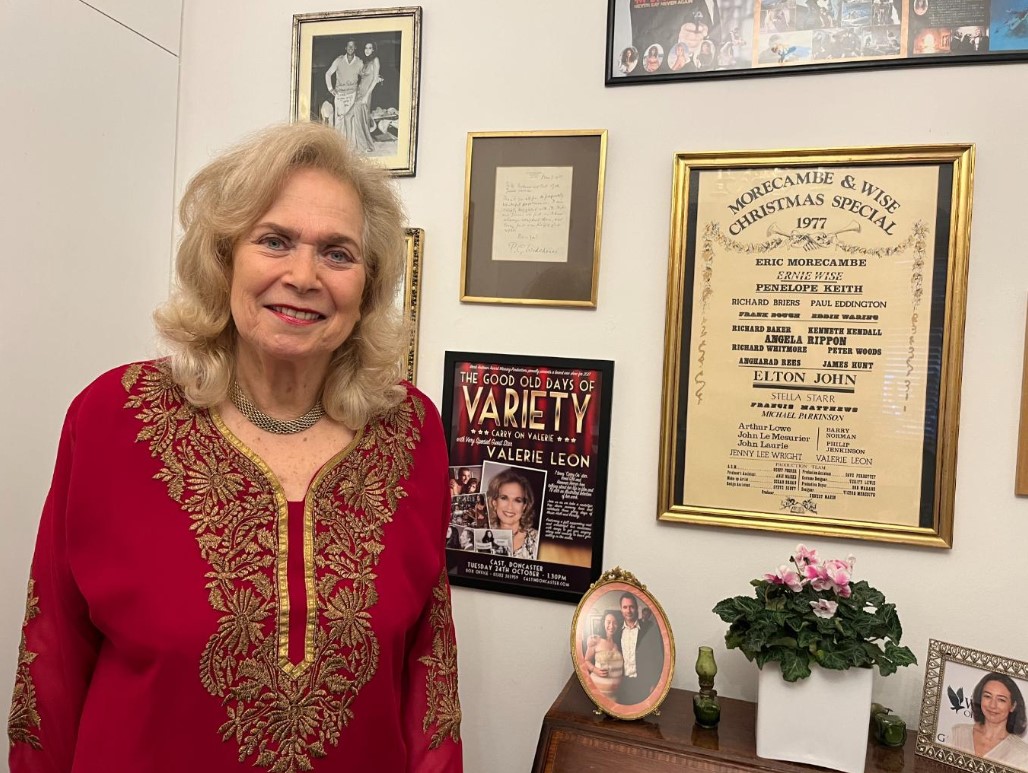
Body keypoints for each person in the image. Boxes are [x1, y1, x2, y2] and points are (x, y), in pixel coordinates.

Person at [6, 122, 463, 772]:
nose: (303, 275)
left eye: (338, 253)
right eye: (274, 240)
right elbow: (49, 666)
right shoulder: (110, 420)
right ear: (223, 259)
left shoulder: (412, 432)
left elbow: (429, 679)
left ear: (368, 285)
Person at [948, 673, 1028, 768]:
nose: (992, 705)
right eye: (987, 696)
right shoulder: (958, 733)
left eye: (1001, 700)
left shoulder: (1022, 754)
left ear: (1013, 706)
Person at [615, 592, 665, 706]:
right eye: (625, 607)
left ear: (637, 608)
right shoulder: (617, 632)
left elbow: (657, 657)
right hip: (622, 684)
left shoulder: (648, 630)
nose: (628, 610)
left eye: (631, 607)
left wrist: (654, 683)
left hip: (643, 684)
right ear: (621, 609)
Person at [486, 468, 540, 560]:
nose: (510, 507)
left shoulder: (537, 540)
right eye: (504, 498)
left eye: (517, 500)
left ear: (524, 506)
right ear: (494, 503)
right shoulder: (481, 535)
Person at [345, 41, 382, 153]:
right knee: (359, 119)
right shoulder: (366, 62)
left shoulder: (375, 60)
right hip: (359, 93)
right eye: (366, 48)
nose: (367, 50)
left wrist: (366, 96)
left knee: (350, 117)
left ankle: (356, 145)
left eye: (370, 48)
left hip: (365, 94)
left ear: (373, 50)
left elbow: (375, 79)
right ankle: (361, 145)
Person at [581, 611, 624, 700]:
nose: (611, 626)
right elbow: (586, 661)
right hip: (596, 692)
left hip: (615, 695)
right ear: (603, 622)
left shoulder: (620, 642)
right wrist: (595, 670)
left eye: (615, 623)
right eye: (608, 622)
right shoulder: (596, 640)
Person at [325, 40, 363, 138]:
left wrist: (375, 76)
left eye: (352, 46)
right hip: (340, 95)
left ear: (355, 48)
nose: (350, 48)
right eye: (348, 46)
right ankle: (339, 144)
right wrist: (330, 89)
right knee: (339, 121)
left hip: (352, 95)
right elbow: (328, 74)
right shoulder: (339, 60)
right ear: (345, 48)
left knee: (351, 121)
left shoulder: (359, 62)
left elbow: (365, 75)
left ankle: (351, 146)